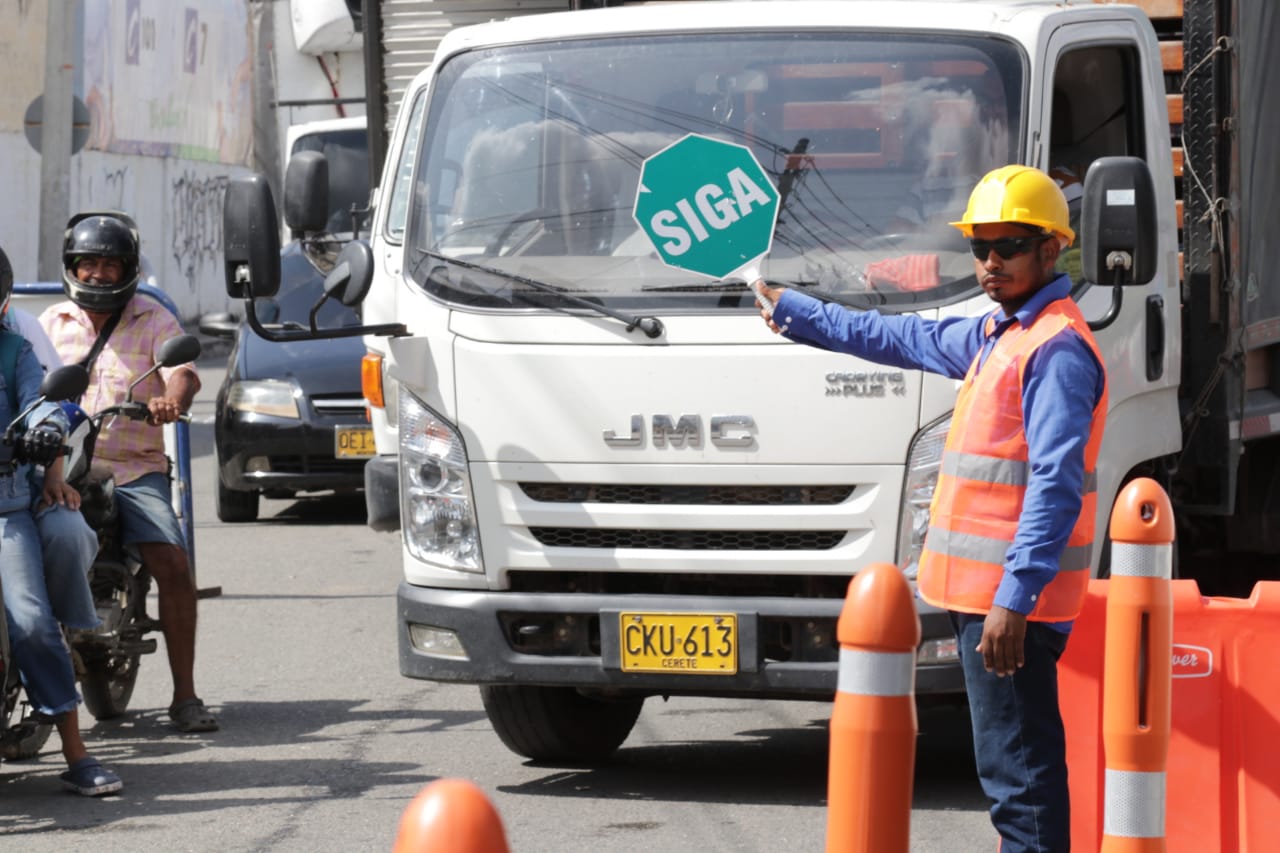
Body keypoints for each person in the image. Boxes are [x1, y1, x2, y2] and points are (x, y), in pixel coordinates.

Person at [756, 165, 1107, 853]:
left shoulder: (1055, 349)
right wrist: (796, 312)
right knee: (1013, 770)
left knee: (1021, 781)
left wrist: (1015, 595)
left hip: (1010, 605)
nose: (991, 260)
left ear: (1052, 249)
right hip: (990, 598)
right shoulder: (998, 334)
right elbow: (899, 337)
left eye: (1009, 243)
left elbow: (1055, 484)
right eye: (980, 246)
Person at [39, 213, 218, 734]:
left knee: (173, 563)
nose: (97, 274)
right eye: (87, 263)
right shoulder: (51, 323)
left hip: (132, 469)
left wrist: (169, 401)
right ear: (72, 267)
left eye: (108, 263)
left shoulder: (153, 318)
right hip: (61, 466)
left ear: (128, 269)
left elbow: (183, 375)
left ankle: (185, 695)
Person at [0, 245, 122, 796]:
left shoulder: (15, 351)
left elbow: (45, 404)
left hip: (5, 511)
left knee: (29, 619)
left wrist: (44, 436)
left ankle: (75, 751)